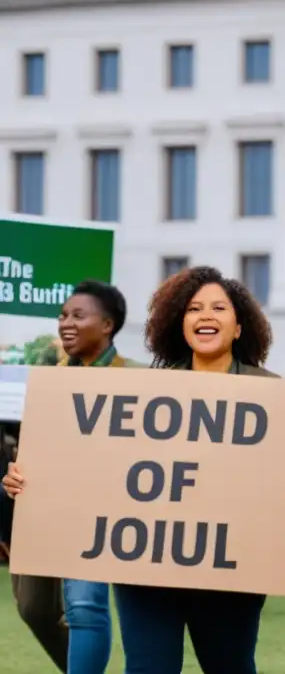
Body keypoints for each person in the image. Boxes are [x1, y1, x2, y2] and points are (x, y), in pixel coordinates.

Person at [5, 267, 285, 674]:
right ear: (180, 323)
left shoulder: (277, 395)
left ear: (238, 327)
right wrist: (30, 479)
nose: (205, 315)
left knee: (229, 665)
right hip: (146, 571)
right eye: (194, 308)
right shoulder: (143, 388)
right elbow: (94, 466)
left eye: (219, 307)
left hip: (229, 572)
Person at [4, 280, 138, 674]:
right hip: (44, 508)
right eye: (63, 315)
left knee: (84, 605)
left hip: (102, 508)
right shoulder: (45, 378)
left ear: (108, 324)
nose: (66, 323)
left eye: (79, 316)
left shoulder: (138, 378)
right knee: (32, 607)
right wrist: (14, 474)